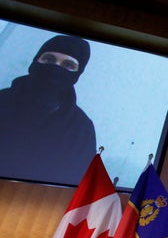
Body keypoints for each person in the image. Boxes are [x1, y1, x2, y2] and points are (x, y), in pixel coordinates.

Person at [0, 34, 96, 185]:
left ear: (77, 75)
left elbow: (76, 183)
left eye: (68, 65)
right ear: (35, 61)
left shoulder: (82, 129)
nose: (55, 69)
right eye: (49, 59)